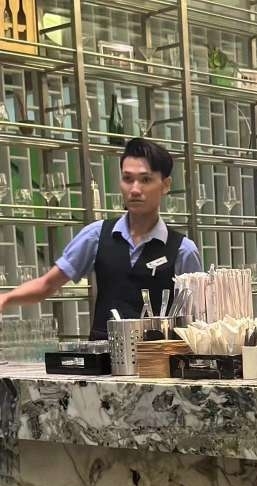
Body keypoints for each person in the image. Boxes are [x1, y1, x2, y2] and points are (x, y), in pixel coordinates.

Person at [0, 137, 202, 339]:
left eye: (145, 180)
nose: (134, 189)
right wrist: (6, 299)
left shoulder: (183, 250)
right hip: (103, 355)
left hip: (158, 356)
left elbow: (197, 321)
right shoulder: (96, 235)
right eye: (127, 179)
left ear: (165, 185)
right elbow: (47, 284)